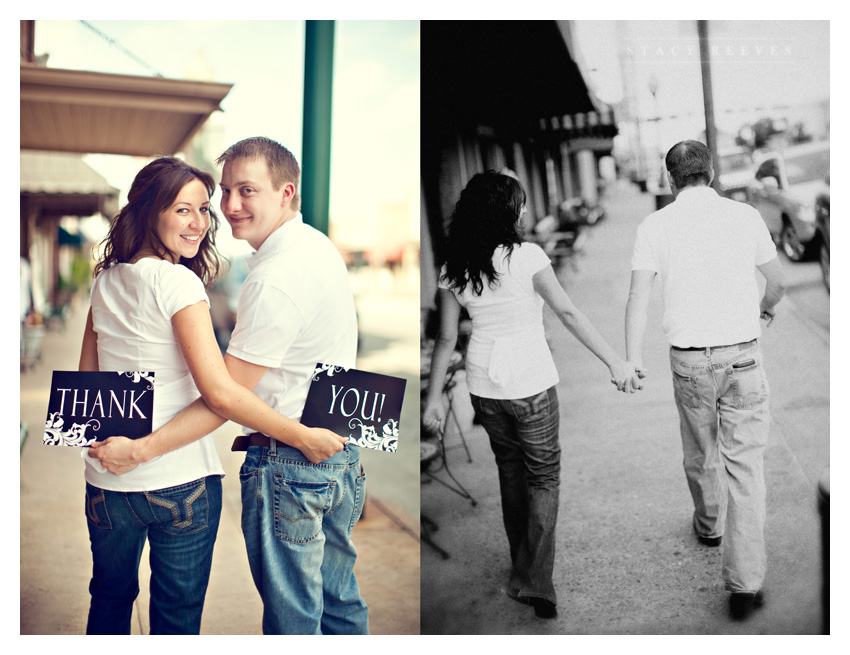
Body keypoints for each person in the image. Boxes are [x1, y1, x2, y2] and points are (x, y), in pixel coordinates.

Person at [91, 138, 368, 635]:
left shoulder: (106, 280)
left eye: (244, 192)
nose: (221, 211)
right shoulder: (317, 247)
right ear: (152, 212)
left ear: (286, 192)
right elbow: (220, 392)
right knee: (333, 600)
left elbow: (97, 385)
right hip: (297, 453)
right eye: (219, 195)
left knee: (111, 599)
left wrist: (118, 446)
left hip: (283, 460)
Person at [422, 171, 640, 620]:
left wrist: (435, 399)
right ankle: (535, 581)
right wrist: (614, 361)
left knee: (510, 473)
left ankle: (523, 565)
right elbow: (566, 312)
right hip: (531, 381)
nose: (524, 211)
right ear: (508, 211)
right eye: (519, 204)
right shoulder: (526, 257)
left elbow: (446, 340)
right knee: (542, 476)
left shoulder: (454, 265)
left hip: (483, 385)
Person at [625, 140, 787, 620]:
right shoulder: (744, 216)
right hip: (743, 358)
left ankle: (710, 523)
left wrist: (632, 359)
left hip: (690, 362)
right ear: (711, 173)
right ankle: (745, 581)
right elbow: (776, 282)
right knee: (746, 468)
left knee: (699, 453)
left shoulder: (655, 225)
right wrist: (764, 310)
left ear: (670, 178)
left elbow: (638, 297)